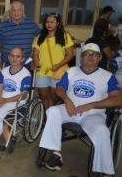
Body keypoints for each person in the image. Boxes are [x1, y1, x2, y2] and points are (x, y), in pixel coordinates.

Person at [38, 43, 122, 176]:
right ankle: (56, 154)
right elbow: (59, 89)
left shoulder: (107, 76)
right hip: (70, 110)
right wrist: (67, 100)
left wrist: (91, 105)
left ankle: (106, 172)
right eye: (86, 54)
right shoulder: (71, 71)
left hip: (93, 115)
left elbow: (118, 99)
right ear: (81, 57)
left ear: (99, 58)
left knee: (102, 130)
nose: (90, 57)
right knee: (53, 111)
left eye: (94, 55)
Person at [33, 13, 74, 108]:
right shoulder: (40, 37)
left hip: (58, 72)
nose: (49, 24)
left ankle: (53, 117)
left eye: (52, 22)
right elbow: (35, 54)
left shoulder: (65, 36)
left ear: (58, 23)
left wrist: (58, 65)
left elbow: (70, 55)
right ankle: (46, 117)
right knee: (44, 96)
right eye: (47, 22)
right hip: (42, 72)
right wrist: (36, 62)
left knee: (55, 98)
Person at [0, 0, 40, 72]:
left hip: (26, 65)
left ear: (22, 11)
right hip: (7, 65)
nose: (16, 13)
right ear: (10, 12)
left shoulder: (31, 25)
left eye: (19, 10)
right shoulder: (2, 26)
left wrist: (35, 57)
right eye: (14, 10)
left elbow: (41, 39)